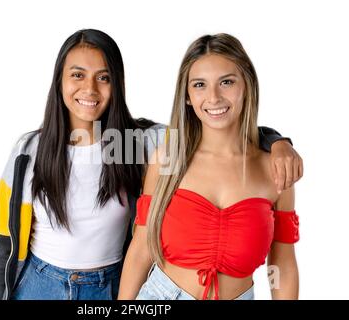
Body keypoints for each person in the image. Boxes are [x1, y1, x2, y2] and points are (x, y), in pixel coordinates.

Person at [0, 29, 302, 300]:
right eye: (77, 75)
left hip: (107, 285)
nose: (89, 89)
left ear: (118, 84)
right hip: (40, 284)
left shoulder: (139, 144)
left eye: (104, 77)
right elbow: (5, 240)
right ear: (59, 80)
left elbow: (219, 128)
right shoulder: (28, 151)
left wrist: (277, 142)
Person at [118, 33, 300, 300]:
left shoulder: (276, 171)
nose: (213, 97)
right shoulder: (167, 160)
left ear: (246, 86)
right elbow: (141, 249)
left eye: (226, 82)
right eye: (200, 85)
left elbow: (282, 262)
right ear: (188, 96)